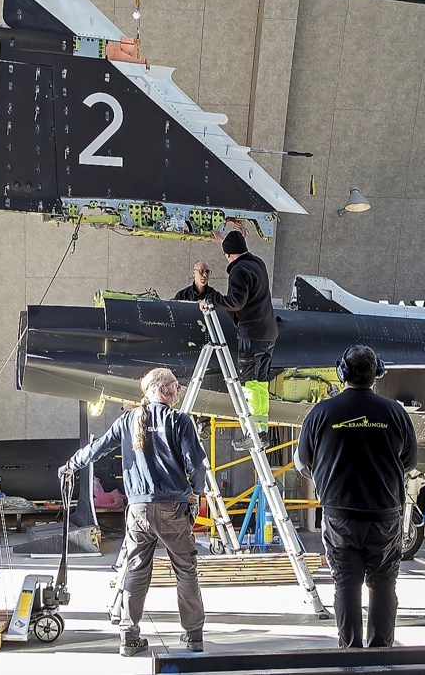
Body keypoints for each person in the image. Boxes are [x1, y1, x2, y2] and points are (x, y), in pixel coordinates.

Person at [58, 368, 208, 656]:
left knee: (136, 571)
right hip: (173, 508)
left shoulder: (129, 421)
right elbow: (197, 466)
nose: (178, 391)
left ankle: (129, 635)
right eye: (175, 386)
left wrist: (70, 465)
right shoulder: (179, 421)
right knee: (186, 570)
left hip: (138, 510)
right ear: (162, 389)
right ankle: (193, 635)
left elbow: (97, 449)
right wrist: (195, 490)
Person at [296, 345, 417, 649]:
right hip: (385, 517)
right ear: (377, 374)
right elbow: (410, 462)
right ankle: (380, 655)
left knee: (346, 586)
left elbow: (303, 463)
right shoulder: (395, 413)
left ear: (342, 372)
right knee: (384, 586)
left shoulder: (321, 412)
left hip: (340, 519)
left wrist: (328, 476)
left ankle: (351, 655)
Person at [200, 231, 276, 438]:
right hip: (268, 335)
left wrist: (212, 298)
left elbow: (236, 302)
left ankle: (251, 434)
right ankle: (261, 431)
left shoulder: (239, 270)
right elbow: (235, 248)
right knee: (260, 384)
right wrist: (223, 240)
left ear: (228, 255)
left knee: (247, 385)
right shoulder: (257, 262)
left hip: (251, 335)